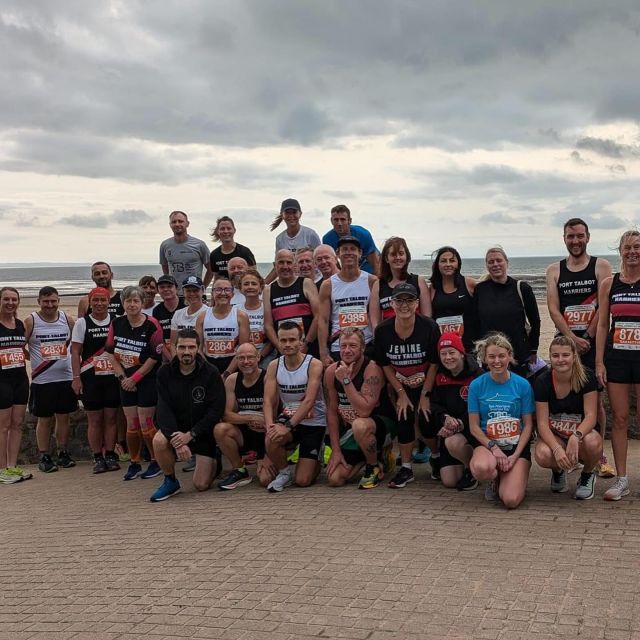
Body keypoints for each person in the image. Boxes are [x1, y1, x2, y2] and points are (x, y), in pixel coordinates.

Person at [546, 217, 614, 478]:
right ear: (564, 238)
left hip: (593, 343)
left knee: (596, 404)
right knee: (562, 399)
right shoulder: (554, 270)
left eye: (579, 236)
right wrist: (572, 339)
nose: (575, 241)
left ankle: (599, 454)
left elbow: (603, 305)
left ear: (588, 237)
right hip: (565, 344)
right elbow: (553, 308)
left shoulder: (601, 265)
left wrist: (585, 334)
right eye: (570, 236)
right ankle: (565, 451)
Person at [373, 283, 440, 488]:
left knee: (427, 419)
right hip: (400, 382)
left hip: (426, 381)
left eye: (409, 300)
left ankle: (436, 457)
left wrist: (425, 395)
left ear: (417, 303)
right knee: (404, 416)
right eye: (399, 300)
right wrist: (401, 392)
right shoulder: (383, 330)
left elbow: (435, 363)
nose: (404, 305)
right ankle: (407, 468)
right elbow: (384, 364)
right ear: (392, 303)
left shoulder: (429, 326)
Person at [150, 329, 225, 501]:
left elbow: (216, 411)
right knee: (159, 440)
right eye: (182, 347)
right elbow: (163, 409)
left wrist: (191, 435)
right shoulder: (164, 373)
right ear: (174, 347)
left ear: (199, 348)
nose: (186, 352)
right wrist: (176, 439)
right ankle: (170, 481)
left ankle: (215, 459)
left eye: (191, 347)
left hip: (202, 432)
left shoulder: (211, 373)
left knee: (201, 485)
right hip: (177, 430)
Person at [595, 230, 640, 501]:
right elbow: (602, 325)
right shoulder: (609, 284)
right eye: (628, 247)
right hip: (618, 359)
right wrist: (599, 361)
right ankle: (622, 479)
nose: (633, 252)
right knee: (620, 419)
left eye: (637, 247)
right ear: (620, 250)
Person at [468, 333, 535, 509]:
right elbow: (474, 427)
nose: (497, 361)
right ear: (484, 358)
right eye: (491, 356)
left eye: (501, 356)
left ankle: (513, 478)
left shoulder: (523, 385)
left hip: (515, 447)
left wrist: (515, 455)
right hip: (488, 446)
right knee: (481, 468)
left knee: (511, 500)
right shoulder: (476, 385)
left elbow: (528, 425)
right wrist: (494, 448)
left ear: (510, 357)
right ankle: (494, 477)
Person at [105, 285, 164, 481]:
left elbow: (155, 357)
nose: (132, 304)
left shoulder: (152, 324)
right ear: (123, 303)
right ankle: (135, 462)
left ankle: (157, 461)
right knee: (131, 425)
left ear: (142, 303)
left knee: (146, 423)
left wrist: (135, 378)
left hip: (146, 380)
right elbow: (111, 354)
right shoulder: (116, 323)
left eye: (136, 301)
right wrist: (123, 379)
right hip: (125, 381)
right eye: (128, 301)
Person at [534, 336, 601, 500]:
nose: (560, 360)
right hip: (556, 434)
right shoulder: (543, 381)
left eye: (565, 355)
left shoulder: (587, 377)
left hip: (581, 434)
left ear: (574, 356)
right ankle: (558, 471)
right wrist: (556, 449)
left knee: (593, 443)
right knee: (542, 454)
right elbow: (542, 423)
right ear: (550, 357)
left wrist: (576, 436)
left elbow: (592, 416)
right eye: (555, 355)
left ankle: (587, 475)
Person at [263, 321, 326, 492]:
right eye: (283, 340)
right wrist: (270, 426)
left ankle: (316, 460)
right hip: (289, 417)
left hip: (314, 421)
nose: (288, 344)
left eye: (292, 340)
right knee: (271, 437)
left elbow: (309, 401)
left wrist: (288, 427)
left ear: (301, 340)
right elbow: (268, 400)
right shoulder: (274, 365)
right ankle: (284, 472)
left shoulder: (314, 364)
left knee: (303, 480)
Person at [324, 328, 391, 489]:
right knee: (335, 479)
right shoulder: (331, 371)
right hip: (352, 430)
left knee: (360, 424)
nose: (347, 350)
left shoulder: (372, 369)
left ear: (362, 348)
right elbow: (332, 412)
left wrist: (346, 381)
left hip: (379, 424)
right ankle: (377, 457)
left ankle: (373, 465)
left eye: (353, 346)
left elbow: (364, 411)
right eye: (343, 346)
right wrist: (336, 450)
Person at [24, 286, 78, 473]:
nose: (50, 305)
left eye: (53, 301)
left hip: (65, 377)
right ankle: (44, 455)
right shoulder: (31, 321)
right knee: (44, 420)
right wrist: (34, 358)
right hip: (42, 380)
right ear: (39, 302)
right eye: (46, 301)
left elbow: (76, 345)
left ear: (58, 301)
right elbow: (19, 344)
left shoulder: (67, 319)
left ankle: (63, 452)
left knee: (64, 418)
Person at [71, 287, 121, 474]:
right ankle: (97, 457)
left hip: (112, 377)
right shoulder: (82, 323)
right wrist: (76, 378)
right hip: (89, 377)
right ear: (90, 302)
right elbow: (75, 352)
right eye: (96, 300)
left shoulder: (116, 322)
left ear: (109, 302)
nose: (99, 303)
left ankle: (110, 454)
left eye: (103, 300)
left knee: (110, 418)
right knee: (94, 420)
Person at [214, 342, 277, 489]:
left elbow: (273, 414)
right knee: (220, 429)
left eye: (250, 357)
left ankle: (269, 457)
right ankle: (239, 470)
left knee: (265, 480)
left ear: (258, 357)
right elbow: (226, 415)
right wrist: (251, 418)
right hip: (243, 432)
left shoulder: (268, 377)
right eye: (241, 358)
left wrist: (268, 455)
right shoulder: (232, 380)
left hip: (266, 433)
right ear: (236, 360)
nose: (246, 362)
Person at [474, 247, 540, 377]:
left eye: (499, 260)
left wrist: (533, 349)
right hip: (491, 356)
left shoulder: (522, 288)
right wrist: (476, 351)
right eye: (491, 262)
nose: (495, 264)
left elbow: (535, 320)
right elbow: (474, 322)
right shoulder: (480, 290)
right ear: (486, 265)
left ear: (506, 262)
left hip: (518, 353)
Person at [431, 332, 482, 491]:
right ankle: (463, 462)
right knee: (450, 481)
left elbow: (483, 408)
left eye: (452, 352)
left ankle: (472, 469)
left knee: (453, 442)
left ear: (461, 353)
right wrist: (444, 418)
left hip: (472, 431)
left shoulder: (477, 375)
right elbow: (435, 404)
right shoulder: (439, 376)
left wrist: (460, 423)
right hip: (451, 428)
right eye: (443, 354)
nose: (448, 358)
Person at [318, 236, 376, 366]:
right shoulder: (328, 285)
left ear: (360, 253)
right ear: (338, 253)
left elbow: (376, 316)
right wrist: (323, 352)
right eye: (344, 249)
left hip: (366, 345)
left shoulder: (371, 281)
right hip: (339, 347)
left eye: (353, 249)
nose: (349, 252)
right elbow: (323, 320)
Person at [263, 249, 321, 356]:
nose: (285, 266)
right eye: (281, 262)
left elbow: (318, 316)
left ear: (294, 265)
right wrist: (279, 347)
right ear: (274, 265)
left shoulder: (306, 283)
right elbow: (268, 325)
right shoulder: (268, 290)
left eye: (289, 262)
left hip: (309, 348)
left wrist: (306, 344)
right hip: (284, 350)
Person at [0, 287, 31, 483]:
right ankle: (2, 469)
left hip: (20, 378)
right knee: (2, 426)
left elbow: (22, 350)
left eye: (14, 299)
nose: (10, 303)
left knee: (17, 424)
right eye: (6, 299)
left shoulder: (20, 324)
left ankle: (12, 465)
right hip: (1, 380)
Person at [369, 237, 431, 330]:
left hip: (416, 335)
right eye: (393, 254)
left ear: (407, 257)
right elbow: (375, 322)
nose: (398, 257)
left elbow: (427, 316)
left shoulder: (419, 281)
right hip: (389, 338)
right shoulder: (378, 285)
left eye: (401, 254)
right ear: (386, 258)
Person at [195, 276, 249, 377]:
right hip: (208, 366)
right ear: (212, 293)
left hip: (233, 367)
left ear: (232, 293)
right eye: (218, 289)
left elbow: (243, 349)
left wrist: (226, 373)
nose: (223, 293)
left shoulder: (241, 316)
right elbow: (198, 348)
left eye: (227, 290)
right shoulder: (202, 316)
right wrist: (210, 371)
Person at [430, 246, 477, 351]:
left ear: (458, 264)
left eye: (452, 260)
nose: (448, 264)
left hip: (468, 345)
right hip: (443, 345)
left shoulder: (469, 284)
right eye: (443, 261)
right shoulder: (432, 289)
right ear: (437, 265)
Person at [265, 199, 321, 283]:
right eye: (287, 213)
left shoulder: (310, 234)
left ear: (300, 214)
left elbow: (321, 259)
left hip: (314, 280)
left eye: (294, 212)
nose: (291, 216)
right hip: (294, 282)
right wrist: (263, 283)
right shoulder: (280, 239)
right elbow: (278, 266)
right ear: (282, 215)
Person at [159, 210, 213, 295]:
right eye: (173, 222)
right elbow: (165, 268)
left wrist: (203, 288)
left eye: (180, 221)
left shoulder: (199, 245)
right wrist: (170, 287)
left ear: (187, 223)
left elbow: (211, 269)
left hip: (195, 294)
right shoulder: (165, 245)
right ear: (170, 225)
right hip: (175, 295)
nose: (177, 224)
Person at [322, 204, 380, 274]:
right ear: (331, 221)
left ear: (349, 221)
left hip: (368, 266)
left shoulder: (363, 234)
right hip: (348, 266)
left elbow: (375, 263)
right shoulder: (327, 239)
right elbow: (335, 265)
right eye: (336, 220)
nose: (339, 223)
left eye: (343, 220)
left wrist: (378, 282)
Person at [238, 270, 272, 363]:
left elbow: (273, 337)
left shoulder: (268, 307)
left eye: (253, 284)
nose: (250, 287)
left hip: (266, 355)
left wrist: (260, 356)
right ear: (240, 288)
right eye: (246, 284)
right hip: (242, 356)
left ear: (261, 288)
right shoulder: (235, 310)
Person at [169, 275, 207, 356]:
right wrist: (176, 363)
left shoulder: (209, 313)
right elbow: (172, 344)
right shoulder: (178, 314)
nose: (192, 294)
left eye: (195, 290)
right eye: (188, 291)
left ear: (203, 291)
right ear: (183, 292)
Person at [152, 275, 185, 360]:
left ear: (176, 288)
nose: (166, 289)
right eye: (162, 287)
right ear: (158, 290)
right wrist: (172, 360)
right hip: (166, 353)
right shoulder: (157, 310)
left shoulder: (186, 304)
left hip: (187, 350)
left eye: (169, 286)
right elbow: (159, 339)